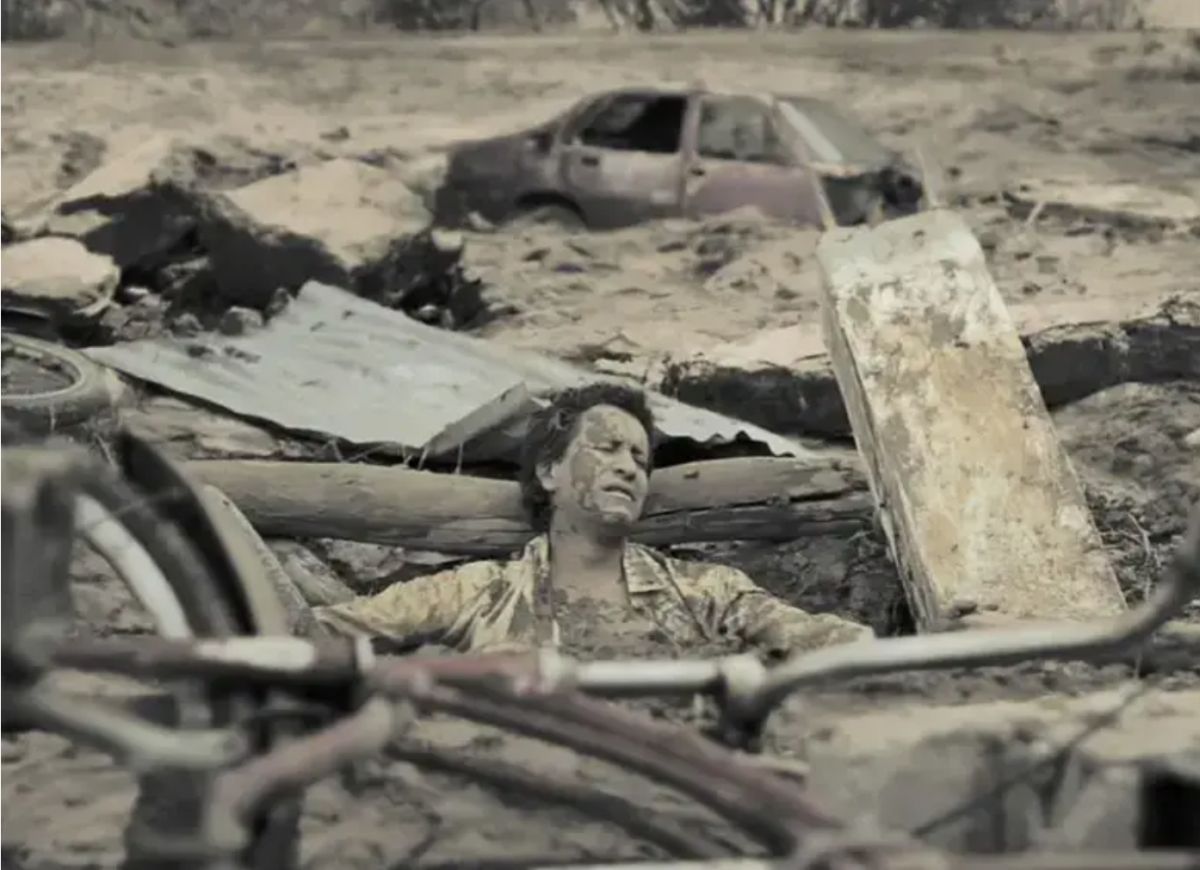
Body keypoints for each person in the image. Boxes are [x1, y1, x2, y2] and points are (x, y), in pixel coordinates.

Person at [313, 382, 874, 656]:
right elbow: (328, 632)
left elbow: (828, 642)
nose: (627, 467)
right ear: (550, 471)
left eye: (639, 459)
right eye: (606, 448)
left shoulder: (707, 593)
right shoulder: (481, 593)